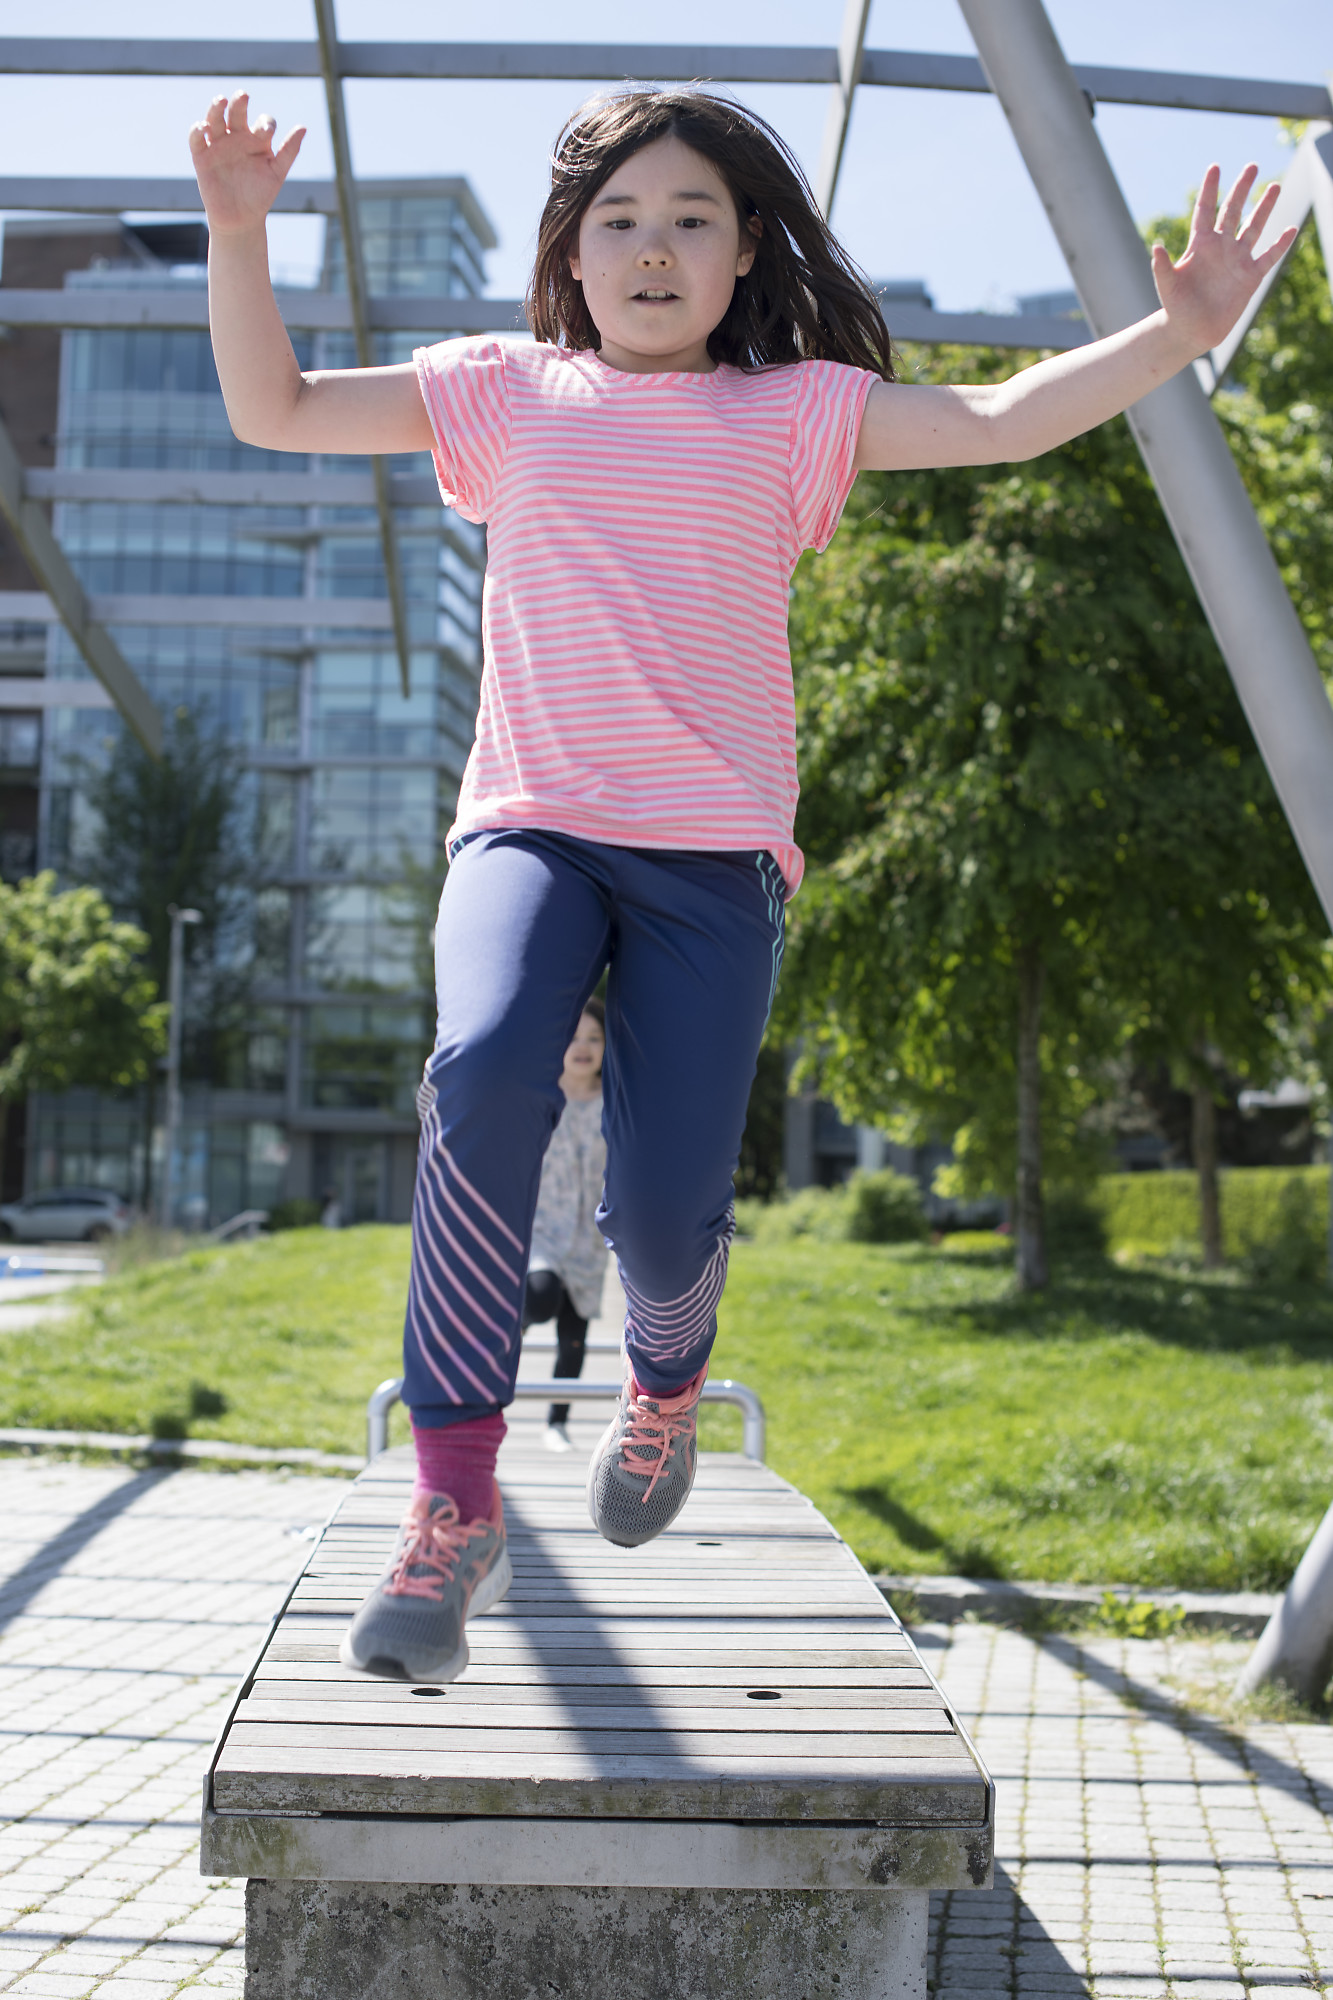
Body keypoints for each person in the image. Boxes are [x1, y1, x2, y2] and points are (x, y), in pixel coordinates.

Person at [190, 82, 1291, 1683]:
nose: (653, 248)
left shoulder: (792, 413)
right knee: (480, 1075)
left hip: (711, 859)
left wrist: (1176, 331)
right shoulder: (503, 391)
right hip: (530, 829)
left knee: (660, 1212)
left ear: (746, 248)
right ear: (570, 255)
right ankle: (453, 1503)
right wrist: (236, 233)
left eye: (691, 219)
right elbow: (276, 407)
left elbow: (997, 419)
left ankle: (664, 1378)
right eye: (619, 221)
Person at [522, 998, 608, 1453]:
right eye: (574, 1037)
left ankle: (556, 1422)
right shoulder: (539, 1096)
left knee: (573, 1338)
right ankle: (511, 1323)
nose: (584, 1047)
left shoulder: (615, 1102)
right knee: (540, 1297)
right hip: (542, 1227)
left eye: (594, 1038)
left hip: (590, 1235)